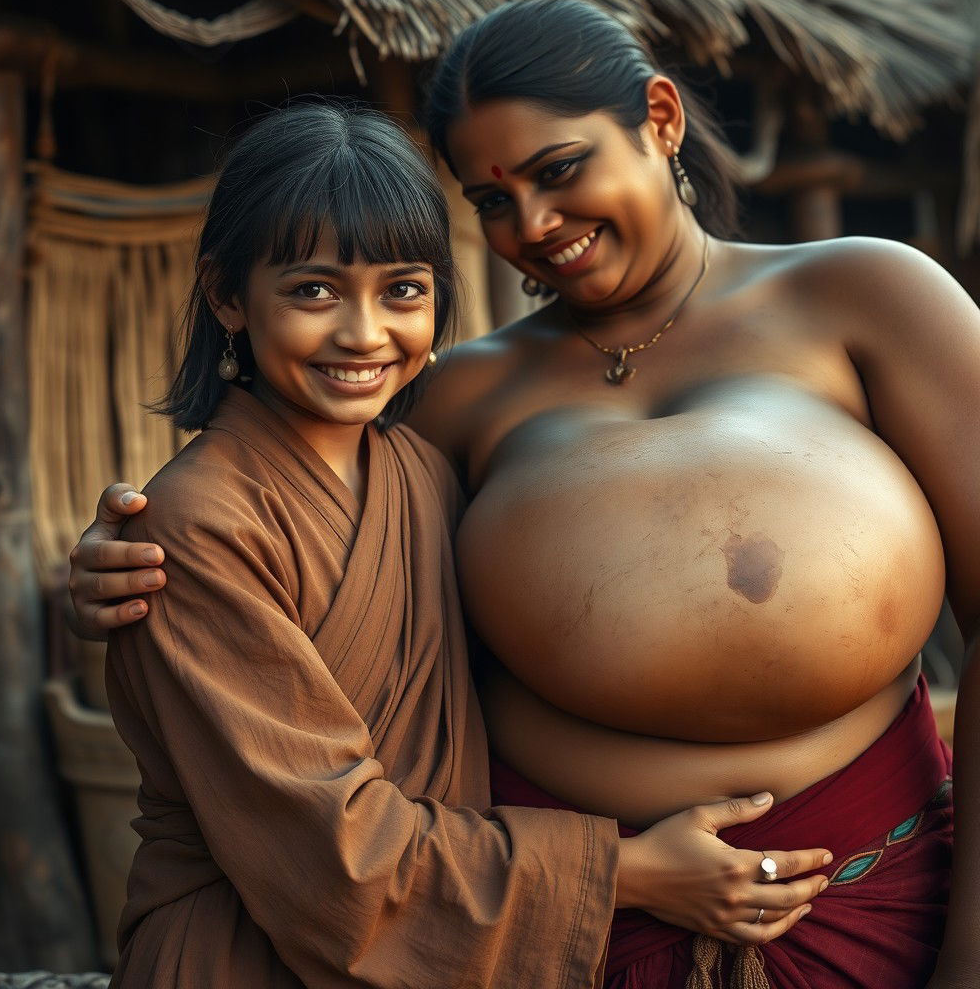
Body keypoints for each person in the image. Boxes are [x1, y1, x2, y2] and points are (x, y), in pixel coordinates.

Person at [77, 101, 830, 989]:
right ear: (227, 296)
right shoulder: (194, 526)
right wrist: (635, 871)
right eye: (314, 290)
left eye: (402, 290)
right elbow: (333, 857)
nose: (364, 334)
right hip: (240, 954)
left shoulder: (427, 475)